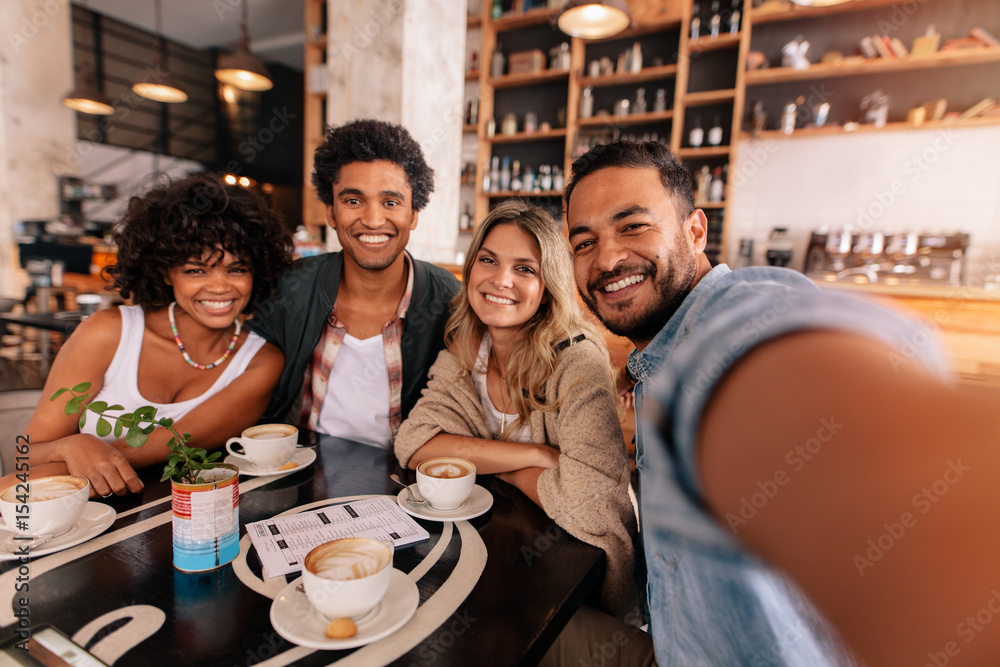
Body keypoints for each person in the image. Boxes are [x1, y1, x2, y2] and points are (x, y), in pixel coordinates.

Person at [564, 140, 999, 665]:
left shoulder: (732, 325)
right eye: (584, 242)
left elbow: (768, 365)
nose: (607, 258)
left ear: (696, 231)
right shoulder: (654, 359)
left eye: (633, 226)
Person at [394, 201, 642, 628]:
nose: (500, 279)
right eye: (488, 260)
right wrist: (537, 457)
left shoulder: (578, 361)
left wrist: (490, 464)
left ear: (549, 284)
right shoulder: (466, 347)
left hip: (579, 591)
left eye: (525, 268)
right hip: (497, 558)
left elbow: (594, 503)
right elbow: (414, 444)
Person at [19, 175, 293, 498]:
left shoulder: (261, 363)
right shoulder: (107, 333)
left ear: (256, 272)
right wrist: (70, 444)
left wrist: (70, 459)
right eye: (196, 270)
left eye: (237, 269)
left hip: (177, 527)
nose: (220, 286)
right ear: (165, 271)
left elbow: (153, 449)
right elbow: (23, 458)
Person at [247, 119, 460, 448]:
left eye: (391, 202)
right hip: (302, 469)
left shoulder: (447, 298)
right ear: (331, 212)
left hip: (405, 481)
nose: (373, 220)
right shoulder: (291, 286)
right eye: (353, 201)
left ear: (414, 213)